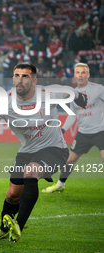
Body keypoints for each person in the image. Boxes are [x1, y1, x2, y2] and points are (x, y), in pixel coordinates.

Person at [0, 62, 88, 242]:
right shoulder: (5, 102)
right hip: (27, 151)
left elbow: (71, 92)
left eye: (25, 76)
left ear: (34, 81)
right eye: (17, 75)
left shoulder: (49, 93)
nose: (20, 80)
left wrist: (80, 98)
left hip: (55, 149)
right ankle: (3, 229)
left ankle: (18, 225)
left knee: (31, 172)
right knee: (12, 194)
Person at [42, 62, 104, 193]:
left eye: (83, 72)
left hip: (101, 131)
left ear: (88, 75)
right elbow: (73, 114)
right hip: (84, 133)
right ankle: (59, 185)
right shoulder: (73, 93)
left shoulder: (98, 89)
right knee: (69, 160)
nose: (80, 75)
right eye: (78, 72)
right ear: (74, 75)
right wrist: (63, 129)